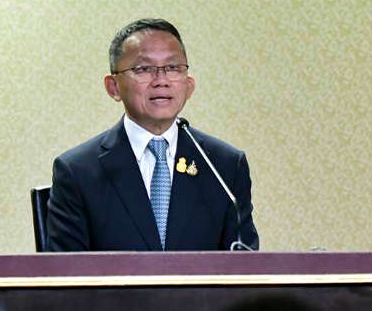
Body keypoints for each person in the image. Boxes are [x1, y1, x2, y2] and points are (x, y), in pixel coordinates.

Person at [45, 18, 258, 251]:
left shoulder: (224, 166)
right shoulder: (77, 171)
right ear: (113, 87)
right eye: (143, 69)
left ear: (189, 85)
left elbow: (244, 264)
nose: (161, 81)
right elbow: (67, 271)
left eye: (173, 68)